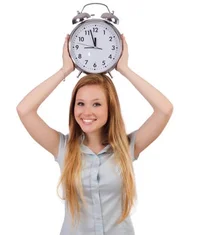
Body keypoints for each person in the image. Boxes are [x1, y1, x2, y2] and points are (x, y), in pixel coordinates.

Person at [16, 34, 173, 234]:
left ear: (110, 108)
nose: (86, 112)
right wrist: (65, 70)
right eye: (80, 103)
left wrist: (124, 69)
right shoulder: (63, 148)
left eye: (97, 104)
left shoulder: (127, 147)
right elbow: (24, 110)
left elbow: (165, 109)